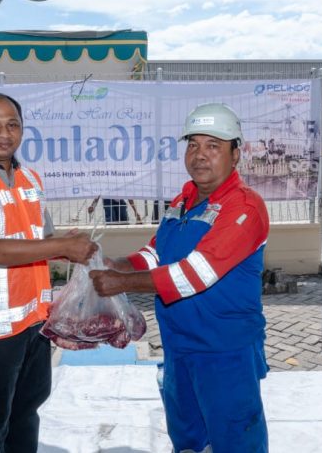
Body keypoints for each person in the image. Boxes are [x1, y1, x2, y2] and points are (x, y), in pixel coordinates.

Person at [90, 103, 271, 453]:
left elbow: (196, 274)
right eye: (193, 145)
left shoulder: (245, 207)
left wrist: (121, 283)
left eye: (213, 146)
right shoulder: (183, 200)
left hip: (225, 351)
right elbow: (156, 254)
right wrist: (114, 264)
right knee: (187, 441)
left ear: (236, 154)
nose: (200, 155)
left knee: (235, 441)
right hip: (179, 346)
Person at [0, 92, 98, 453]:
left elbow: (42, 240)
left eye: (13, 125)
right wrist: (60, 246)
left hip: (35, 322)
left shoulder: (29, 179)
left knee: (26, 414)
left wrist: (68, 244)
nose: (4, 134)